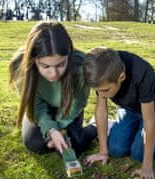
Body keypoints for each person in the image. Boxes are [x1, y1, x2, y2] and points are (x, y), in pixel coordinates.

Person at [83, 47, 155, 179]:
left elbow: (149, 122)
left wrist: (147, 167)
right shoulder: (104, 70)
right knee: (116, 149)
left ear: (121, 77)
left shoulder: (142, 74)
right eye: (97, 91)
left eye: (105, 90)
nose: (102, 95)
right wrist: (103, 152)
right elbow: (101, 110)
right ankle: (133, 127)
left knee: (138, 154)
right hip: (130, 108)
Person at [9, 21, 97, 156]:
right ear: (33, 60)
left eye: (61, 65)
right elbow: (35, 106)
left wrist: (59, 129)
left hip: (69, 109)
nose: (54, 74)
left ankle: (95, 125)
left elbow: (77, 103)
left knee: (74, 145)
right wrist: (51, 130)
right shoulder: (20, 67)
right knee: (34, 143)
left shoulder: (81, 67)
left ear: (68, 55)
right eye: (45, 66)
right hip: (41, 108)